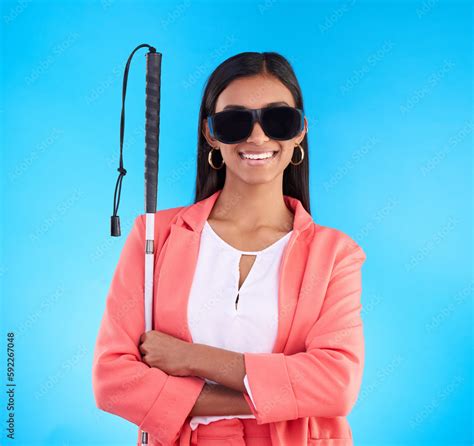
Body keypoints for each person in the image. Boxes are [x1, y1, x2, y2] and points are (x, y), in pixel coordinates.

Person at [92, 52, 367, 446]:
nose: (257, 137)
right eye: (234, 121)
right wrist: (271, 395)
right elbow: (112, 380)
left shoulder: (335, 255)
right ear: (211, 134)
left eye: (278, 120)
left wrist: (190, 358)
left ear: (300, 131)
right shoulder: (156, 235)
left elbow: (336, 384)